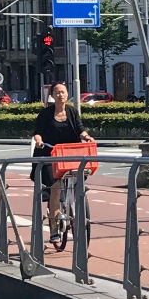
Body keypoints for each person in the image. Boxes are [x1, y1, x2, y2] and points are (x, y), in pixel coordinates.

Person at [29, 82, 94, 243]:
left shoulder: (72, 111)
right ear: (52, 95)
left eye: (63, 92)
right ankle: (54, 227)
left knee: (79, 181)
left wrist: (87, 137)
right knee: (56, 186)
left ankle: (78, 212)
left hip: (69, 155)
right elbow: (37, 132)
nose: (60, 95)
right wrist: (39, 141)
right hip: (49, 156)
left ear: (67, 94)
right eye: (57, 92)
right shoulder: (45, 113)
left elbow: (80, 129)